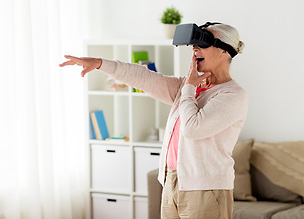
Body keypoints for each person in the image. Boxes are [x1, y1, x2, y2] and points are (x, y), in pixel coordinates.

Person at [59, 22, 247, 219]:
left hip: (206, 190)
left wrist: (189, 88)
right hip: (172, 182)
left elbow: (193, 128)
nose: (195, 50)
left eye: (203, 44)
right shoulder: (186, 87)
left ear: (225, 51)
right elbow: (144, 78)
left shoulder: (233, 95)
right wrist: (100, 63)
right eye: (194, 45)